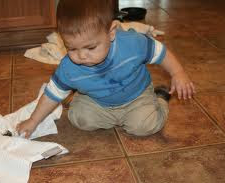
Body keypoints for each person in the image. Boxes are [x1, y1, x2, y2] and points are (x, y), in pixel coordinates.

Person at [16, 0, 195, 138]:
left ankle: (161, 97)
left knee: (143, 126)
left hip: (137, 96)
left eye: (91, 47)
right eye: (71, 48)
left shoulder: (132, 43)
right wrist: (33, 121)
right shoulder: (69, 68)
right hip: (98, 101)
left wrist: (178, 73)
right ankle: (83, 96)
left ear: (111, 32)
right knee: (79, 119)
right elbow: (52, 94)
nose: (82, 56)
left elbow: (160, 52)